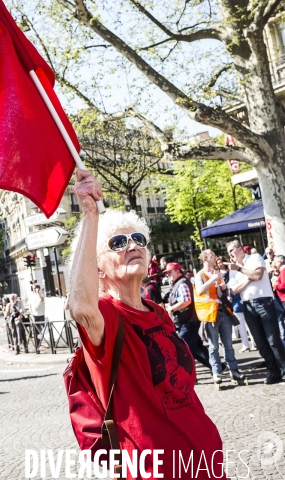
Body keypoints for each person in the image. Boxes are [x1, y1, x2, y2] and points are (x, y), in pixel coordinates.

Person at [68, 169, 225, 478]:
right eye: (117, 242)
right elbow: (80, 306)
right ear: (98, 269)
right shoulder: (106, 317)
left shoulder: (157, 310)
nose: (132, 245)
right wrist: (89, 215)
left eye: (138, 239)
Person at [226, 239, 285, 384]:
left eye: (231, 251)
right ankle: (273, 371)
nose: (230, 255)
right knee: (260, 342)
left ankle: (283, 368)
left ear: (240, 249)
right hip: (248, 306)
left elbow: (258, 275)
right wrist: (248, 279)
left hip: (264, 302)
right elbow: (234, 290)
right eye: (228, 253)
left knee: (273, 340)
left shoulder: (255, 258)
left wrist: (240, 270)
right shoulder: (232, 270)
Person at [194, 249, 245, 387]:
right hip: (211, 315)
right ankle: (216, 373)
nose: (215, 257)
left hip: (223, 312)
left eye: (214, 255)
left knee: (228, 345)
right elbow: (199, 290)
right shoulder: (200, 275)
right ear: (205, 259)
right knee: (213, 346)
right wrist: (212, 279)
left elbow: (223, 291)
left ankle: (234, 370)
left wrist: (223, 287)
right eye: (211, 255)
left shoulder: (217, 273)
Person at [164, 262, 211, 372]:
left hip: (189, 321)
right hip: (187, 321)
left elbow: (186, 300)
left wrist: (172, 308)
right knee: (197, 348)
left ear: (177, 270)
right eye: (167, 273)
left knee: (185, 350)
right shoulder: (178, 283)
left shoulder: (182, 283)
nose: (168, 275)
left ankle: (189, 374)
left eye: (170, 272)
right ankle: (217, 367)